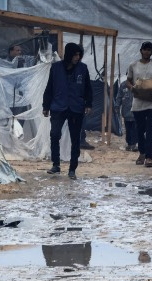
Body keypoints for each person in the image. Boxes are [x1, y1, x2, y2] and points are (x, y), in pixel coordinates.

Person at [42, 42, 92, 180]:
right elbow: (49, 87)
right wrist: (46, 106)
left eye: (79, 55)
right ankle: (56, 164)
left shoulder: (83, 68)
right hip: (58, 106)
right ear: (69, 54)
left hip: (76, 107)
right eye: (75, 55)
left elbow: (88, 88)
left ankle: (72, 169)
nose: (77, 57)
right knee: (54, 134)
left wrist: (88, 104)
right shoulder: (56, 68)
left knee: (75, 139)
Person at [116, 81, 138, 151]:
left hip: (136, 111)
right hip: (126, 112)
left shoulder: (138, 84)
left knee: (135, 129)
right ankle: (129, 144)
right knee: (128, 129)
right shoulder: (123, 85)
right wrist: (117, 106)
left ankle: (134, 144)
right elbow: (119, 97)